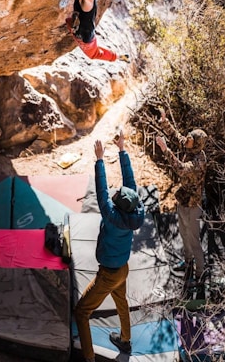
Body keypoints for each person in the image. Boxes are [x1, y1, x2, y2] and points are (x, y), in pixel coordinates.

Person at [74, 130, 145, 362]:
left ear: (117, 206)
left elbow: (101, 190)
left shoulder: (110, 215)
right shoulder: (133, 212)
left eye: (117, 196)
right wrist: (122, 149)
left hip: (108, 273)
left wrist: (99, 160)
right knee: (121, 303)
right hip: (122, 269)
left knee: (81, 312)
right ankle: (125, 340)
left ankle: (88, 358)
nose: (115, 193)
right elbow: (130, 183)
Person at [155, 110, 208, 288]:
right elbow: (177, 137)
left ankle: (200, 273)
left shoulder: (199, 162)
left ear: (197, 144)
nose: (187, 138)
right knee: (184, 235)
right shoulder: (190, 147)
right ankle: (187, 263)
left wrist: (165, 150)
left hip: (193, 205)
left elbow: (181, 169)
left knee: (194, 240)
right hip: (184, 200)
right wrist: (164, 121)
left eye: (191, 138)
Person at [63, 0, 129, 62]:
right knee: (68, 21)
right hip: (82, 30)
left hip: (86, 37)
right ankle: (117, 56)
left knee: (94, 54)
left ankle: (118, 57)